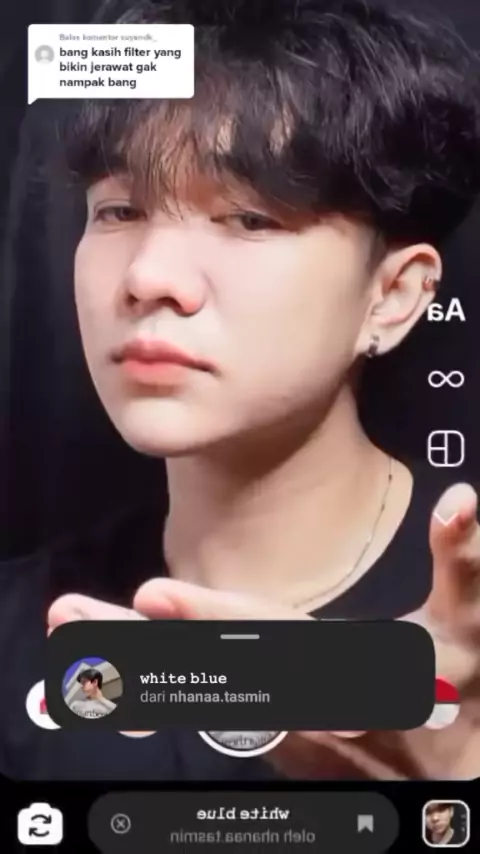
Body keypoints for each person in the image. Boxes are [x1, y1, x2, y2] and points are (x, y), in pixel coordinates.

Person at [3, 0, 480, 781]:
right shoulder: (20, 629)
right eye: (119, 210)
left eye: (250, 219)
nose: (148, 276)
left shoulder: (468, 631)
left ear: (393, 296)